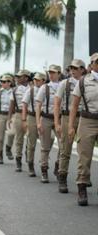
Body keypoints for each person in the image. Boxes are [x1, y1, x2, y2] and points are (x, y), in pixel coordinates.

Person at [68, 52, 98, 206]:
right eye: (96, 62)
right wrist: (71, 126)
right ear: (91, 65)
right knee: (84, 156)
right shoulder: (83, 82)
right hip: (87, 121)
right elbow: (74, 106)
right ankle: (82, 187)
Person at [54, 59, 86, 193]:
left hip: (84, 118)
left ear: (82, 69)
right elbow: (57, 103)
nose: (73, 70)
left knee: (84, 151)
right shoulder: (64, 83)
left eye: (76, 68)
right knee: (65, 149)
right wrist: (57, 122)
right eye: (71, 68)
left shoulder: (87, 82)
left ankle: (84, 179)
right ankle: (62, 177)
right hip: (67, 117)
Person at [35, 65, 62, 183]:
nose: (51, 74)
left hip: (60, 119)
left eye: (53, 72)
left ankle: (58, 165)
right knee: (45, 147)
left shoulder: (63, 86)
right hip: (45, 118)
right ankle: (44, 171)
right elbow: (38, 105)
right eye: (49, 72)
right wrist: (38, 123)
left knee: (63, 146)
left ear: (59, 74)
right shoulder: (45, 87)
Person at [21, 72, 46, 177]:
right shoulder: (30, 91)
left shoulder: (47, 89)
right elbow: (24, 105)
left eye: (38, 80)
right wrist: (24, 120)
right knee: (32, 142)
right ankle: (30, 164)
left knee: (47, 141)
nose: (36, 81)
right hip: (31, 117)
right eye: (35, 79)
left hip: (44, 117)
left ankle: (44, 164)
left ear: (43, 81)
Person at [8, 70, 31, 172]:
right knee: (19, 138)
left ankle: (28, 156)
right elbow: (12, 104)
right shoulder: (15, 90)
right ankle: (18, 160)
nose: (17, 78)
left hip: (30, 115)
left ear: (26, 78)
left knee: (30, 138)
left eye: (20, 76)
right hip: (18, 114)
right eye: (17, 76)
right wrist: (9, 118)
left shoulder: (33, 89)